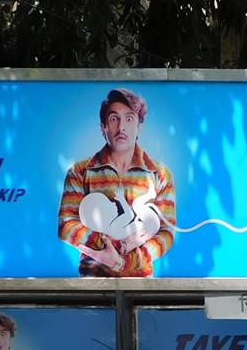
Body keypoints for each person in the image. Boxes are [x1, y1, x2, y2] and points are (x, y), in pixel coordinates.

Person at [57, 88, 176, 277]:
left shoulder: (159, 174)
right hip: (93, 283)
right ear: (103, 127)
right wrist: (107, 243)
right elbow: (66, 225)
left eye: (129, 118)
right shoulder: (80, 171)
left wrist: (125, 261)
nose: (121, 127)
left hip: (140, 285)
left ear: (139, 126)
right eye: (114, 119)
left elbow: (166, 233)